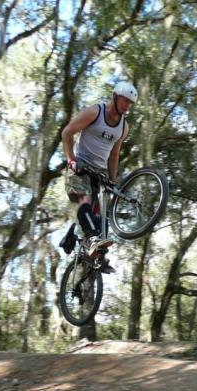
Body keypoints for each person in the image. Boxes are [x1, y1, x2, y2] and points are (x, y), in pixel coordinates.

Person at [62, 81, 138, 261]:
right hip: (81, 164)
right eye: (125, 101)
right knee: (85, 199)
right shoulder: (95, 112)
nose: (127, 106)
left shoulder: (123, 127)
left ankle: (97, 257)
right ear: (115, 96)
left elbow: (114, 154)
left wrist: (112, 181)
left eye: (130, 103)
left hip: (100, 171)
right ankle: (93, 239)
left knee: (101, 215)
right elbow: (67, 132)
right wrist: (71, 160)